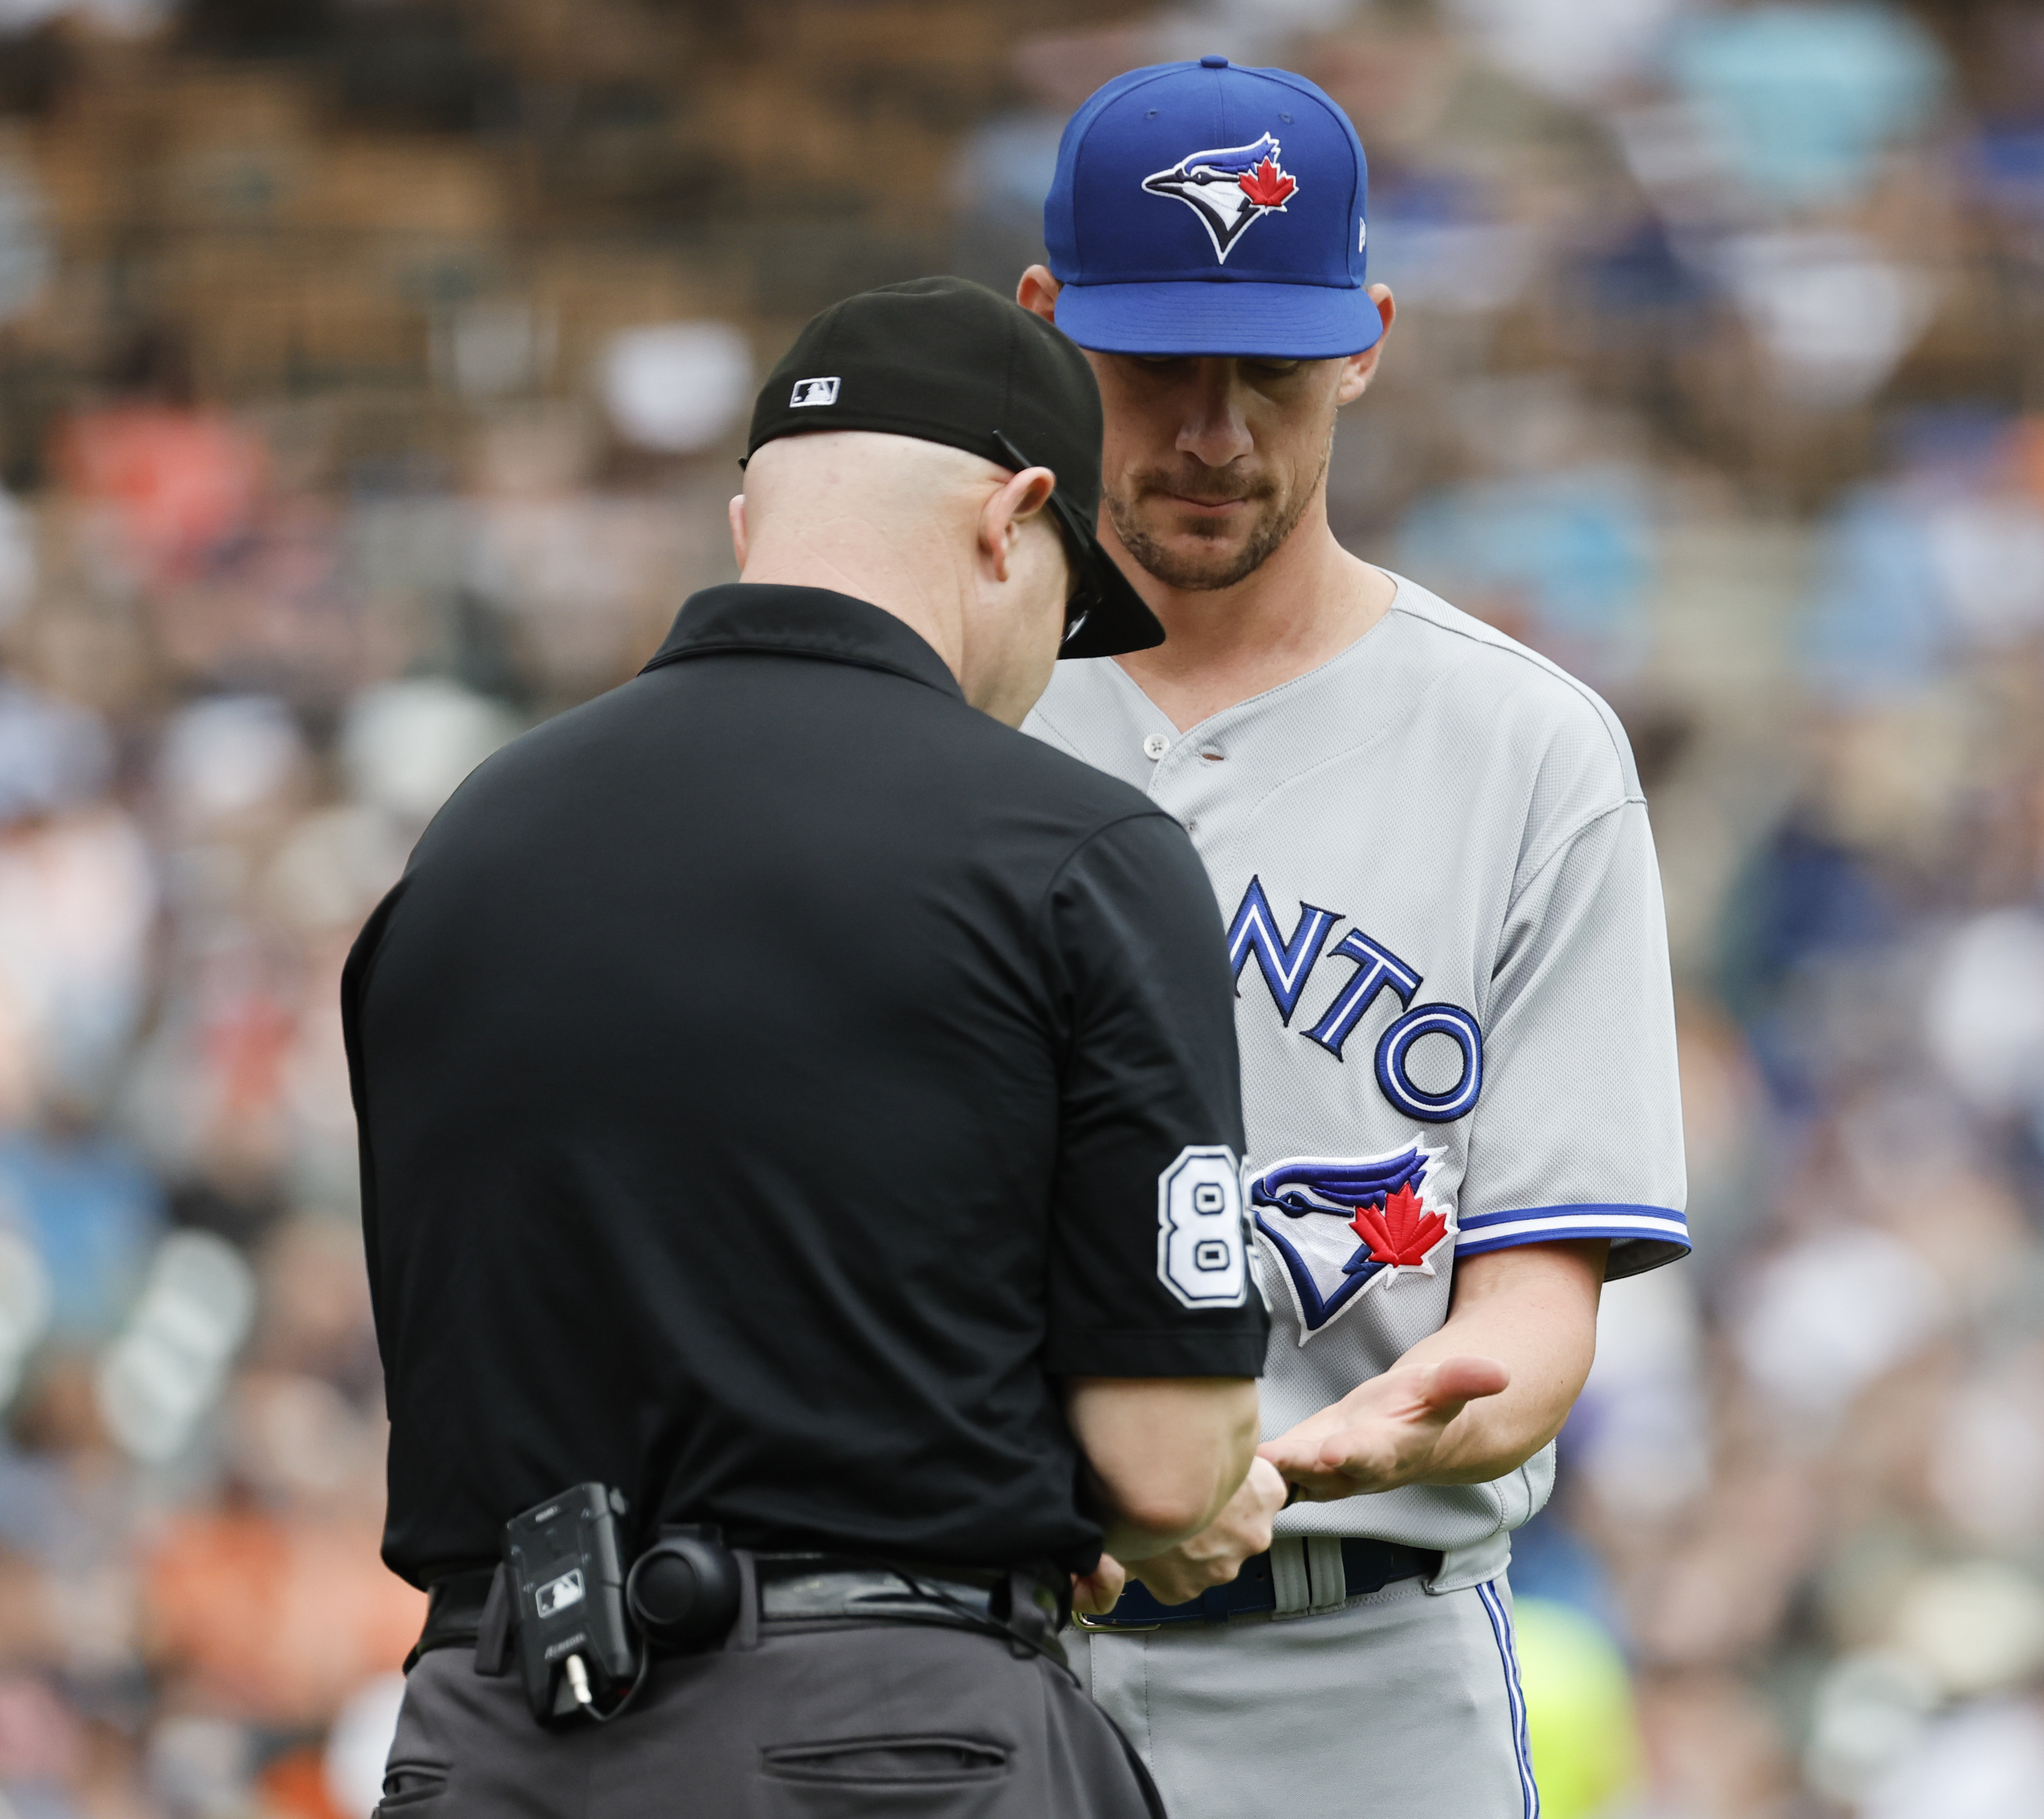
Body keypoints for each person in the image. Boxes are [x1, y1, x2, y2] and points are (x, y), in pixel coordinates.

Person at [344, 277, 1282, 1818]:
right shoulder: (1073, 846)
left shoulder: (470, 840)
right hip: (885, 1744)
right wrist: (1190, 1494)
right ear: (1014, 518)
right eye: (1068, 594)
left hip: (484, 1731)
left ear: (746, 527)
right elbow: (1168, 1465)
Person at [1019, 58, 1690, 1819]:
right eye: (1158, 360)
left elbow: (1533, 1313)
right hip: (985, 1641)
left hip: (1363, 1666)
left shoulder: (1525, 748)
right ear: (1046, 325)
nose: (1216, 427)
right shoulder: (945, 713)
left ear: (1368, 338)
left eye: (1273, 365)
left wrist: (1366, 1438)